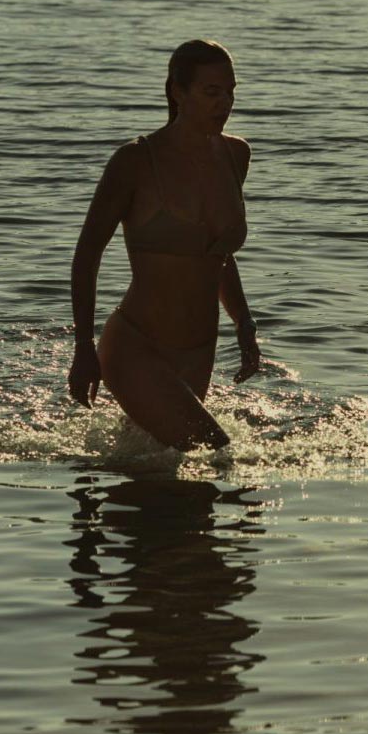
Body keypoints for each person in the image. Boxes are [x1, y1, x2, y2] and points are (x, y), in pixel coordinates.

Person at [67, 40, 262, 450]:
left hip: (198, 351)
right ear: (177, 91)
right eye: (211, 92)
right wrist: (84, 347)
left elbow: (217, 253)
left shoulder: (236, 156)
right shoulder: (135, 162)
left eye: (231, 91)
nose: (225, 103)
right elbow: (87, 255)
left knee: (170, 490)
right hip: (137, 346)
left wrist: (243, 322)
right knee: (216, 452)